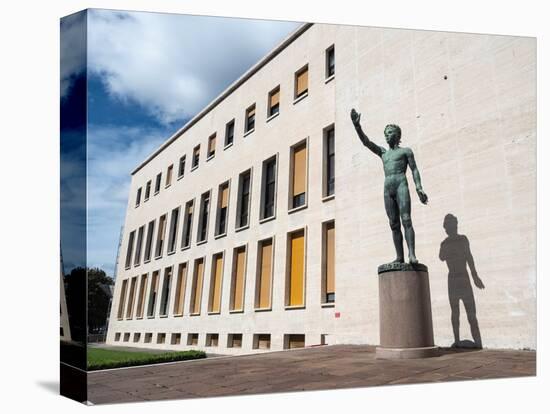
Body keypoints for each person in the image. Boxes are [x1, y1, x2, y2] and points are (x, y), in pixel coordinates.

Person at [350, 108, 428, 264]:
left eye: (390, 132)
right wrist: (357, 126)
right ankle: (399, 257)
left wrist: (419, 188)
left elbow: (414, 169)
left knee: (406, 219)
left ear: (398, 135)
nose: (387, 135)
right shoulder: (383, 153)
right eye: (385, 133)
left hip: (401, 183)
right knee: (393, 224)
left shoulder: (406, 151)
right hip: (388, 188)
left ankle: (411, 255)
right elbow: (366, 142)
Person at [439, 214, 484, 348]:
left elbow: (469, 257)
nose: (449, 228)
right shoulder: (446, 242)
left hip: (461, 277)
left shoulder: (461, 240)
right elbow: (441, 257)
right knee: (456, 311)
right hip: (454, 278)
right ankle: (458, 340)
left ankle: (477, 342)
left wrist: (475, 276)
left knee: (470, 312)